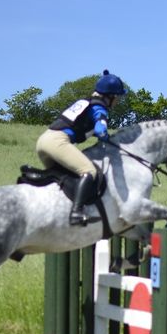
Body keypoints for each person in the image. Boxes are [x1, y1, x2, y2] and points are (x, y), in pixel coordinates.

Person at [36, 70, 126, 225]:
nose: (117, 102)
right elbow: (100, 129)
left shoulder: (85, 102)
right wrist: (105, 136)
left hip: (44, 140)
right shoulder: (99, 108)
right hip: (59, 142)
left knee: (66, 178)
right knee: (89, 171)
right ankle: (77, 212)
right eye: (117, 97)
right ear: (109, 96)